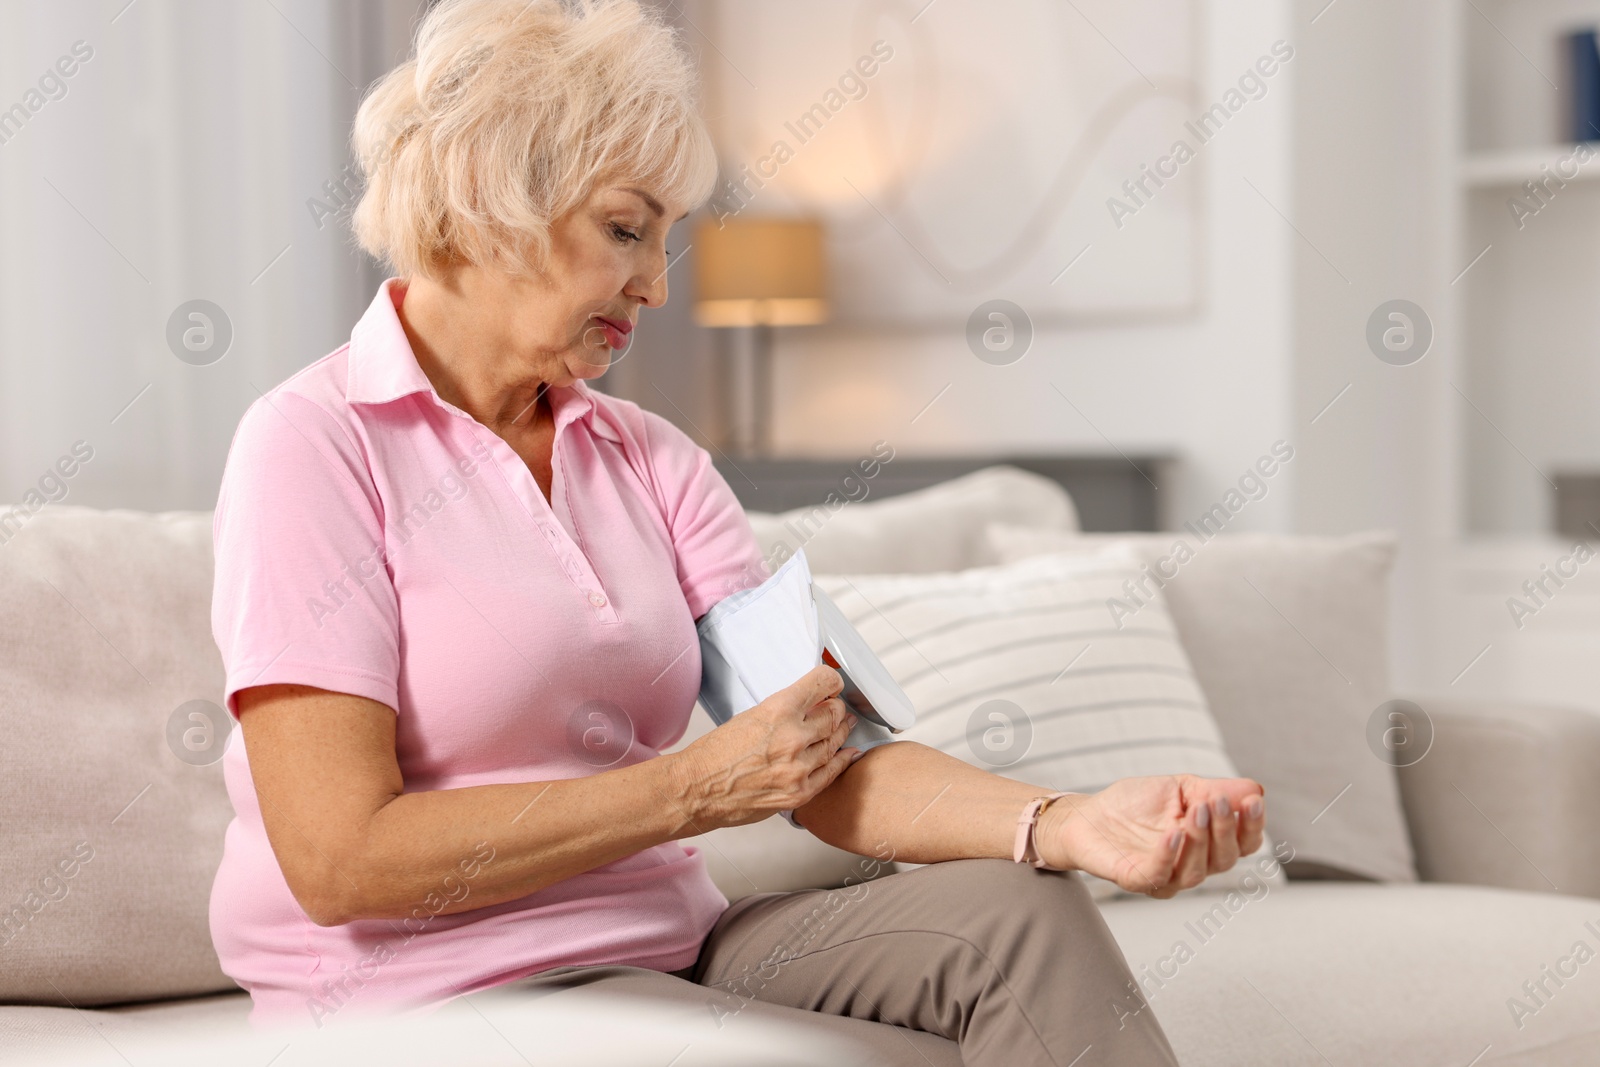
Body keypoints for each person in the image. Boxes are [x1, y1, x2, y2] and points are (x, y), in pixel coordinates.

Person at [208, 2, 1265, 1062]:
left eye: (665, 240)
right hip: (434, 994)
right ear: (493, 203)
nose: (658, 286)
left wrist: (1069, 821)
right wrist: (691, 785)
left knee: (1017, 918)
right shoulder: (312, 446)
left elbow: (831, 759)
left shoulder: (651, 459)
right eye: (626, 228)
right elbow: (339, 859)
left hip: (672, 946)